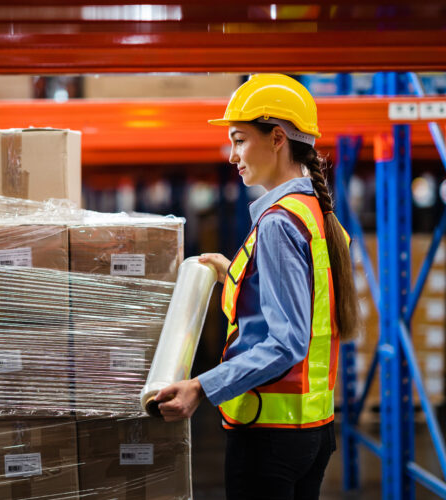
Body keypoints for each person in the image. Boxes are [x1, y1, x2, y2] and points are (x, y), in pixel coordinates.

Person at [153, 74, 359, 500]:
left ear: (278, 137)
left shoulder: (280, 222)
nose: (232, 156)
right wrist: (236, 273)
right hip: (313, 431)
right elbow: (305, 302)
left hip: (269, 439)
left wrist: (201, 387)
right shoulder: (317, 213)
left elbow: (288, 342)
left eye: (240, 140)